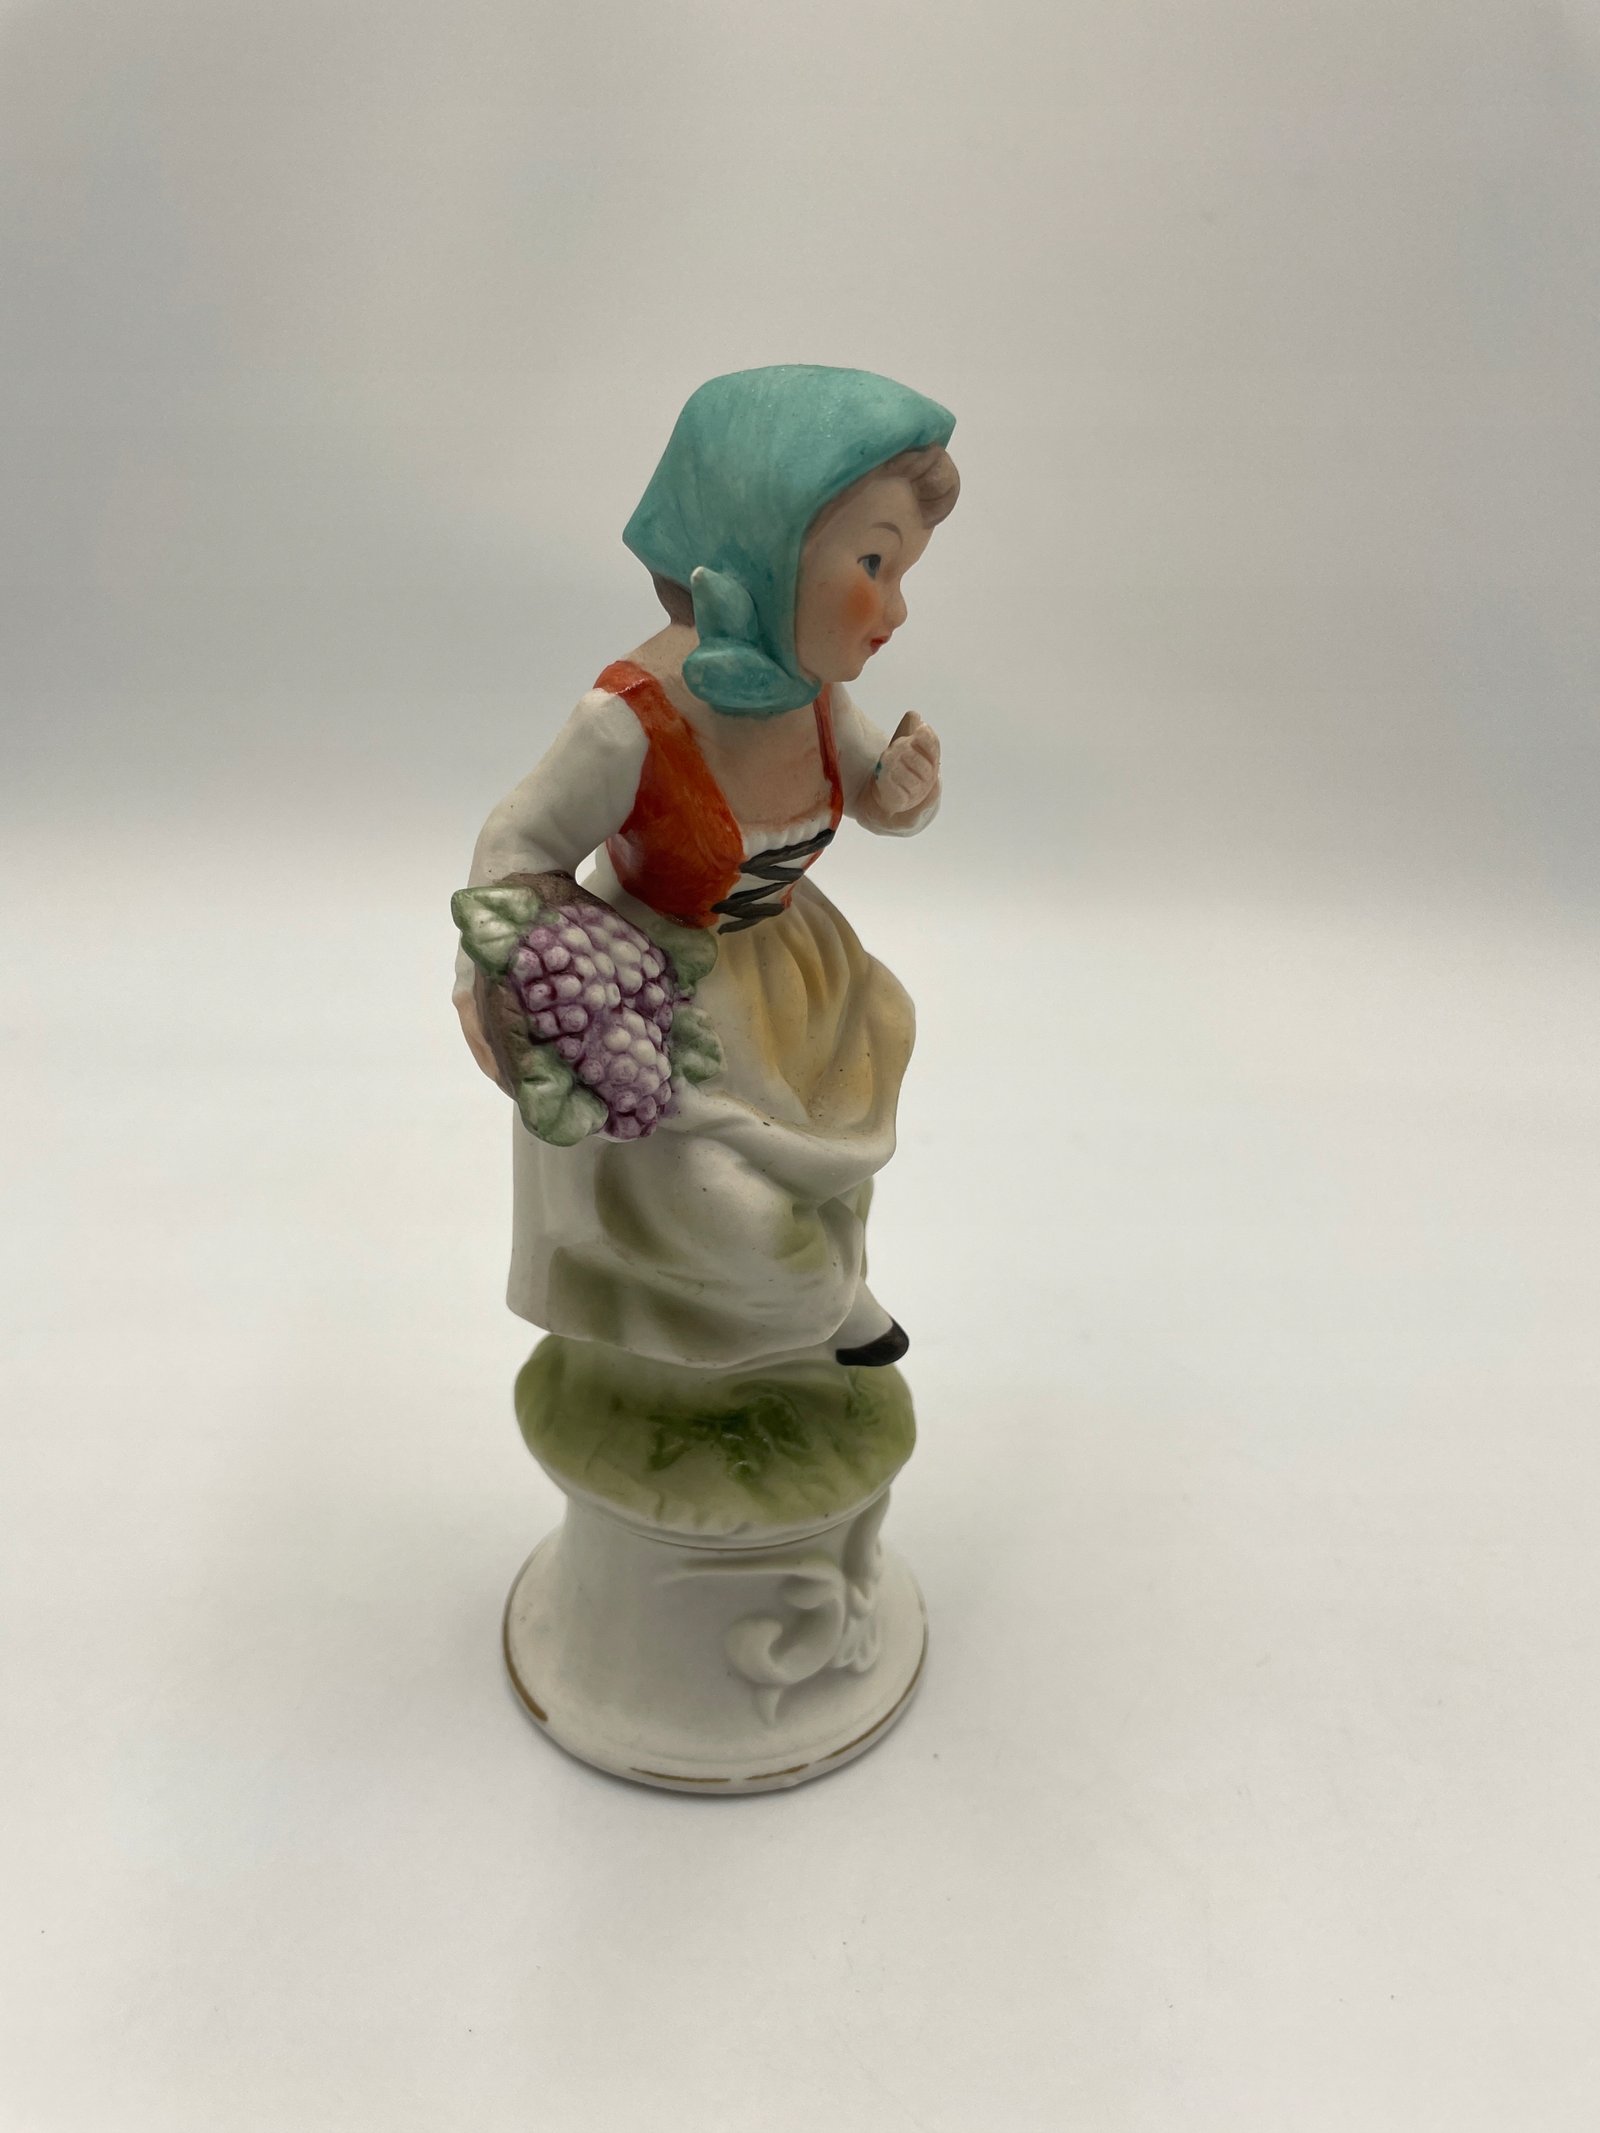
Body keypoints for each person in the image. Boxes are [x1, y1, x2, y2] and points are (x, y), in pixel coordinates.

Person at [453, 365, 958, 1372]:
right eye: (872, 561)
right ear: (761, 548)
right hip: (668, 988)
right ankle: (741, 1324)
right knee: (718, 1196)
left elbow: (868, 792)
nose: (896, 607)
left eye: (902, 571)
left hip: (795, 976)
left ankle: (829, 1296)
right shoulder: (631, 720)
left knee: (825, 1163)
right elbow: (518, 842)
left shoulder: (812, 692)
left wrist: (902, 791)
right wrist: (499, 984)